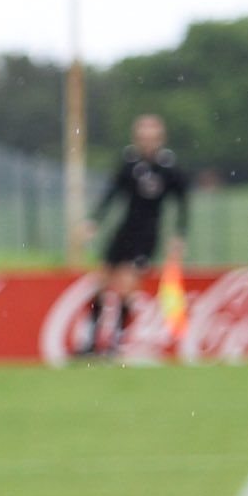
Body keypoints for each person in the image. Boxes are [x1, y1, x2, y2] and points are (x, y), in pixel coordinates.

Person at [78, 114, 189, 357]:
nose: (147, 142)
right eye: (142, 137)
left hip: (146, 236)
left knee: (126, 287)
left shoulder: (168, 168)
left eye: (151, 137)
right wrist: (94, 221)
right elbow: (112, 194)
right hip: (123, 231)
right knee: (102, 284)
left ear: (160, 139)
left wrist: (180, 234)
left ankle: (115, 342)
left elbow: (182, 203)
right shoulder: (129, 164)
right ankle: (90, 341)